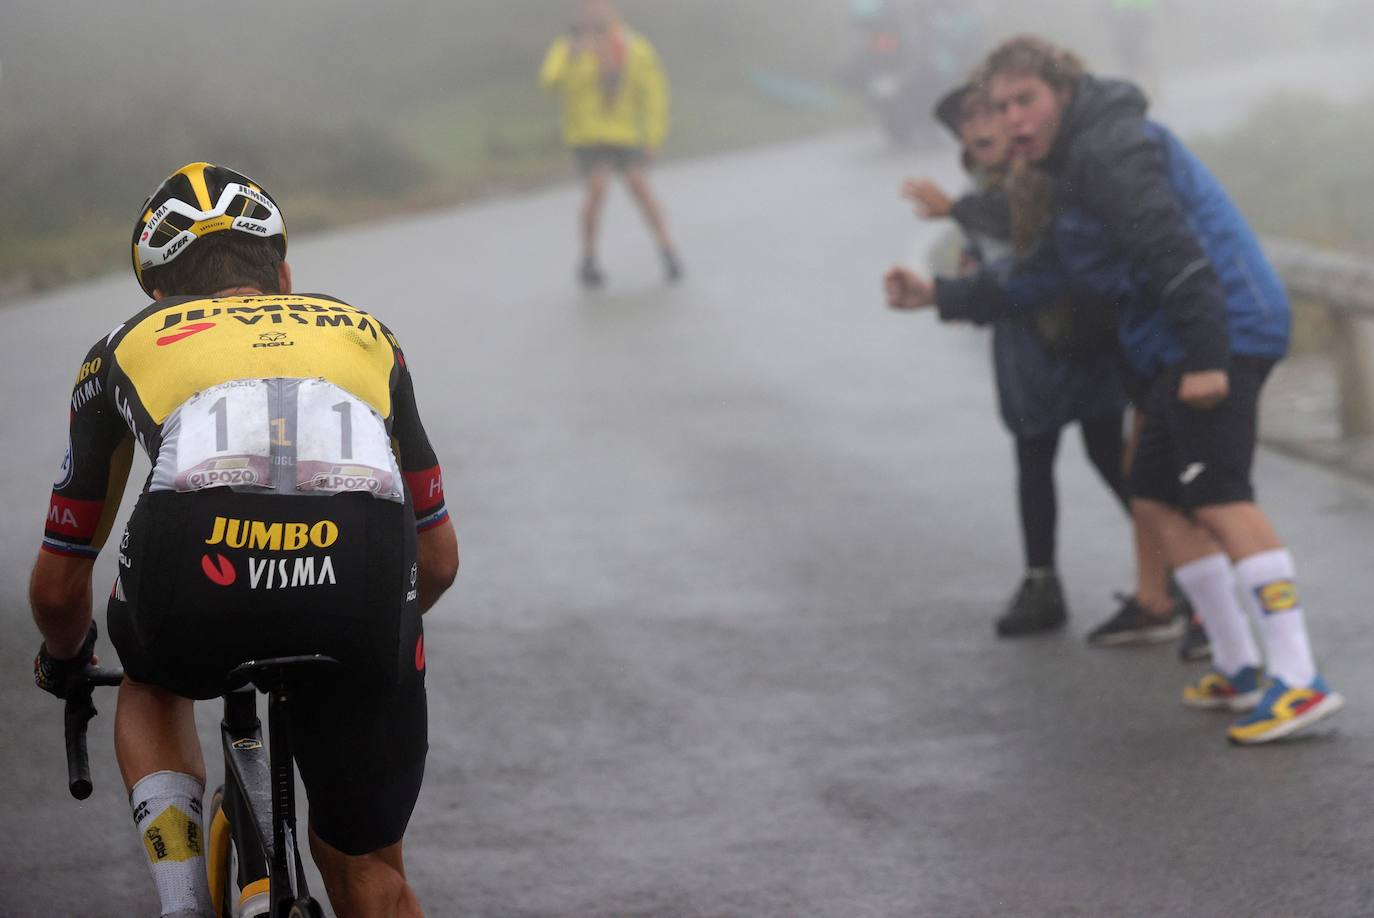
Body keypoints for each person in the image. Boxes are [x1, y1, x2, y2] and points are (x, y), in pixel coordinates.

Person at [885, 37, 1342, 744]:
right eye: (1001, 106)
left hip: (1222, 328)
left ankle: (1299, 679)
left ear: (1064, 94)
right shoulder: (1071, 168)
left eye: (1026, 100)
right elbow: (1042, 274)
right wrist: (938, 295)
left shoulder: (1111, 149)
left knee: (1218, 496)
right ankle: (1238, 665)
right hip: (1174, 339)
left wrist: (1206, 356)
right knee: (1154, 492)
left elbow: (1172, 249)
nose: (1012, 119)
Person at [31, 162, 459, 916]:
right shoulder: (370, 336)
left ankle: (182, 902)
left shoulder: (121, 346)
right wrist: (349, 619)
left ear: (159, 297)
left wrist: (65, 659)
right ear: (284, 276)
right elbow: (439, 560)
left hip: (200, 564)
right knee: (369, 869)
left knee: (151, 678)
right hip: (360, 573)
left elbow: (61, 585)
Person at [902, 84, 1153, 639]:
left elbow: (1029, 227)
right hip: (1025, 342)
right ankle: (1043, 582)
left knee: (1108, 454)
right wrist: (969, 272)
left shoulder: (1038, 171)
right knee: (1034, 456)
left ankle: (1174, 572)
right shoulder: (980, 185)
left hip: (1079, 329)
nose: (978, 128)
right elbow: (993, 246)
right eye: (965, 123)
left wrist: (956, 212)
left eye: (986, 114)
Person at [539, 0, 682, 288]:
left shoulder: (633, 46)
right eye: (588, 8)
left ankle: (667, 249)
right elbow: (549, 82)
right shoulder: (568, 46)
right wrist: (572, 55)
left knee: (640, 187)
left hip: (625, 132)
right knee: (596, 189)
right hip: (587, 134)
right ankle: (588, 258)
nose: (595, 12)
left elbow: (653, 92)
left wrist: (653, 136)